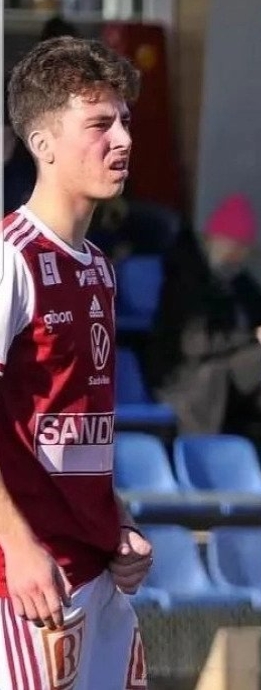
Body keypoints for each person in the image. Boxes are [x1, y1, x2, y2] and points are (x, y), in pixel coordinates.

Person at [0, 37, 152, 687]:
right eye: (99, 124)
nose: (121, 139)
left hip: (96, 573)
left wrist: (117, 519)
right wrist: (16, 544)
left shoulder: (97, 266)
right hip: (29, 585)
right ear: (44, 143)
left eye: (124, 121)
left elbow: (71, 427)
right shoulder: (12, 257)